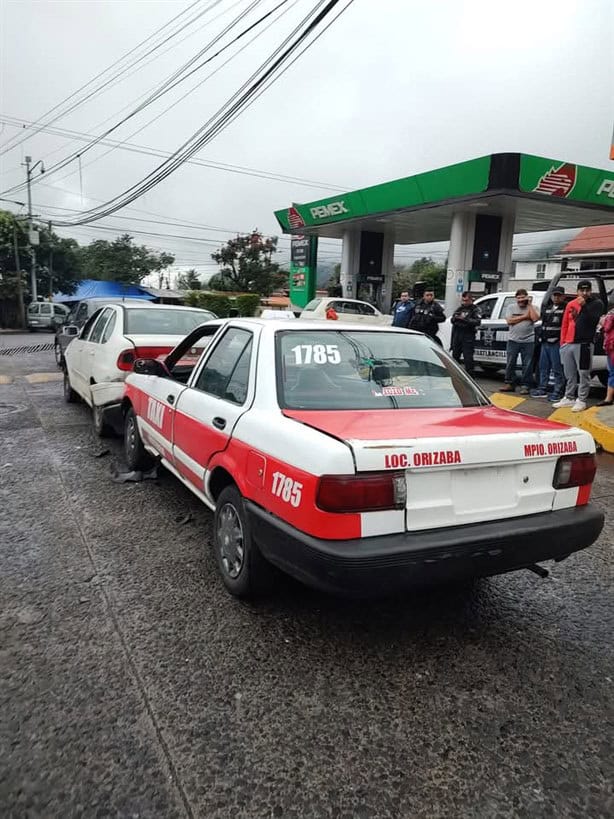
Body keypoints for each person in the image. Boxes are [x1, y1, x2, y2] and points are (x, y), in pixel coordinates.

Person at [553, 280, 604, 412]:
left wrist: (585, 306)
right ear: (578, 291)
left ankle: (581, 399)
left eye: (587, 290)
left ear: (591, 291)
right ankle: (569, 397)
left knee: (584, 373)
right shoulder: (571, 304)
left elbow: (594, 320)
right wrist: (562, 343)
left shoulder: (596, 303)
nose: (585, 293)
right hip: (569, 343)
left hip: (584, 343)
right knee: (569, 373)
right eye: (582, 290)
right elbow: (565, 324)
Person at [500, 288, 540, 394]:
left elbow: (535, 318)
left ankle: (526, 385)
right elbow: (509, 321)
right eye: (519, 298)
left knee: (527, 364)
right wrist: (525, 317)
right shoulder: (511, 307)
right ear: (516, 298)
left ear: (527, 297)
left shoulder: (533, 307)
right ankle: (509, 383)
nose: (521, 300)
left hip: (528, 341)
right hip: (513, 340)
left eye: (523, 297)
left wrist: (530, 305)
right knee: (510, 362)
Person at [530, 286, 566, 401]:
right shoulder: (547, 308)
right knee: (543, 367)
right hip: (545, 343)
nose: (556, 297)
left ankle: (558, 391)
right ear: (551, 296)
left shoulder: (566, 308)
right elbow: (542, 323)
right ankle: (542, 388)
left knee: (557, 369)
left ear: (563, 296)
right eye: (554, 295)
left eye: (559, 295)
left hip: (556, 343)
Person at [450, 291, 481, 376]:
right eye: (463, 300)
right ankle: (454, 376)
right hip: (457, 334)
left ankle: (470, 377)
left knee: (468, 358)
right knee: (455, 356)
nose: (464, 302)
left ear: (471, 300)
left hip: (468, 335)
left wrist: (465, 320)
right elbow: (453, 319)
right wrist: (457, 319)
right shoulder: (460, 308)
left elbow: (477, 321)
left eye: (466, 300)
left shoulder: (475, 309)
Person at [597, 306, 614, 406]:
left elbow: (606, 326)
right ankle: (608, 398)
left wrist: (603, 319)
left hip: (611, 347)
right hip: (610, 347)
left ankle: (608, 398)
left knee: (612, 373)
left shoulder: (610, 313)